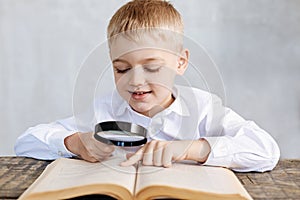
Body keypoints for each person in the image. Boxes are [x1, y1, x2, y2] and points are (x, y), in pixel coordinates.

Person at [15, 0, 280, 172]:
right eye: (122, 69)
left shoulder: (204, 108)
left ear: (180, 62)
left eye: (152, 68)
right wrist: (74, 143)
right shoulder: (105, 111)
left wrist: (192, 148)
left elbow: (266, 150)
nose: (135, 81)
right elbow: (26, 142)